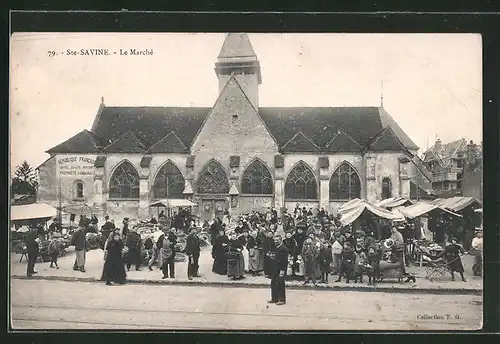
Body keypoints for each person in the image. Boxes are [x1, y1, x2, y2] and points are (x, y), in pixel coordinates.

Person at [268, 234, 288, 306]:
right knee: (273, 283)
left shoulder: (283, 249)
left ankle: (282, 299)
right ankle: (274, 298)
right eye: (275, 240)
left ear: (281, 240)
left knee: (280, 284)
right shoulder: (276, 248)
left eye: (277, 240)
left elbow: (284, 261)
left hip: (281, 269)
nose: (275, 241)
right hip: (275, 268)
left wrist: (282, 271)